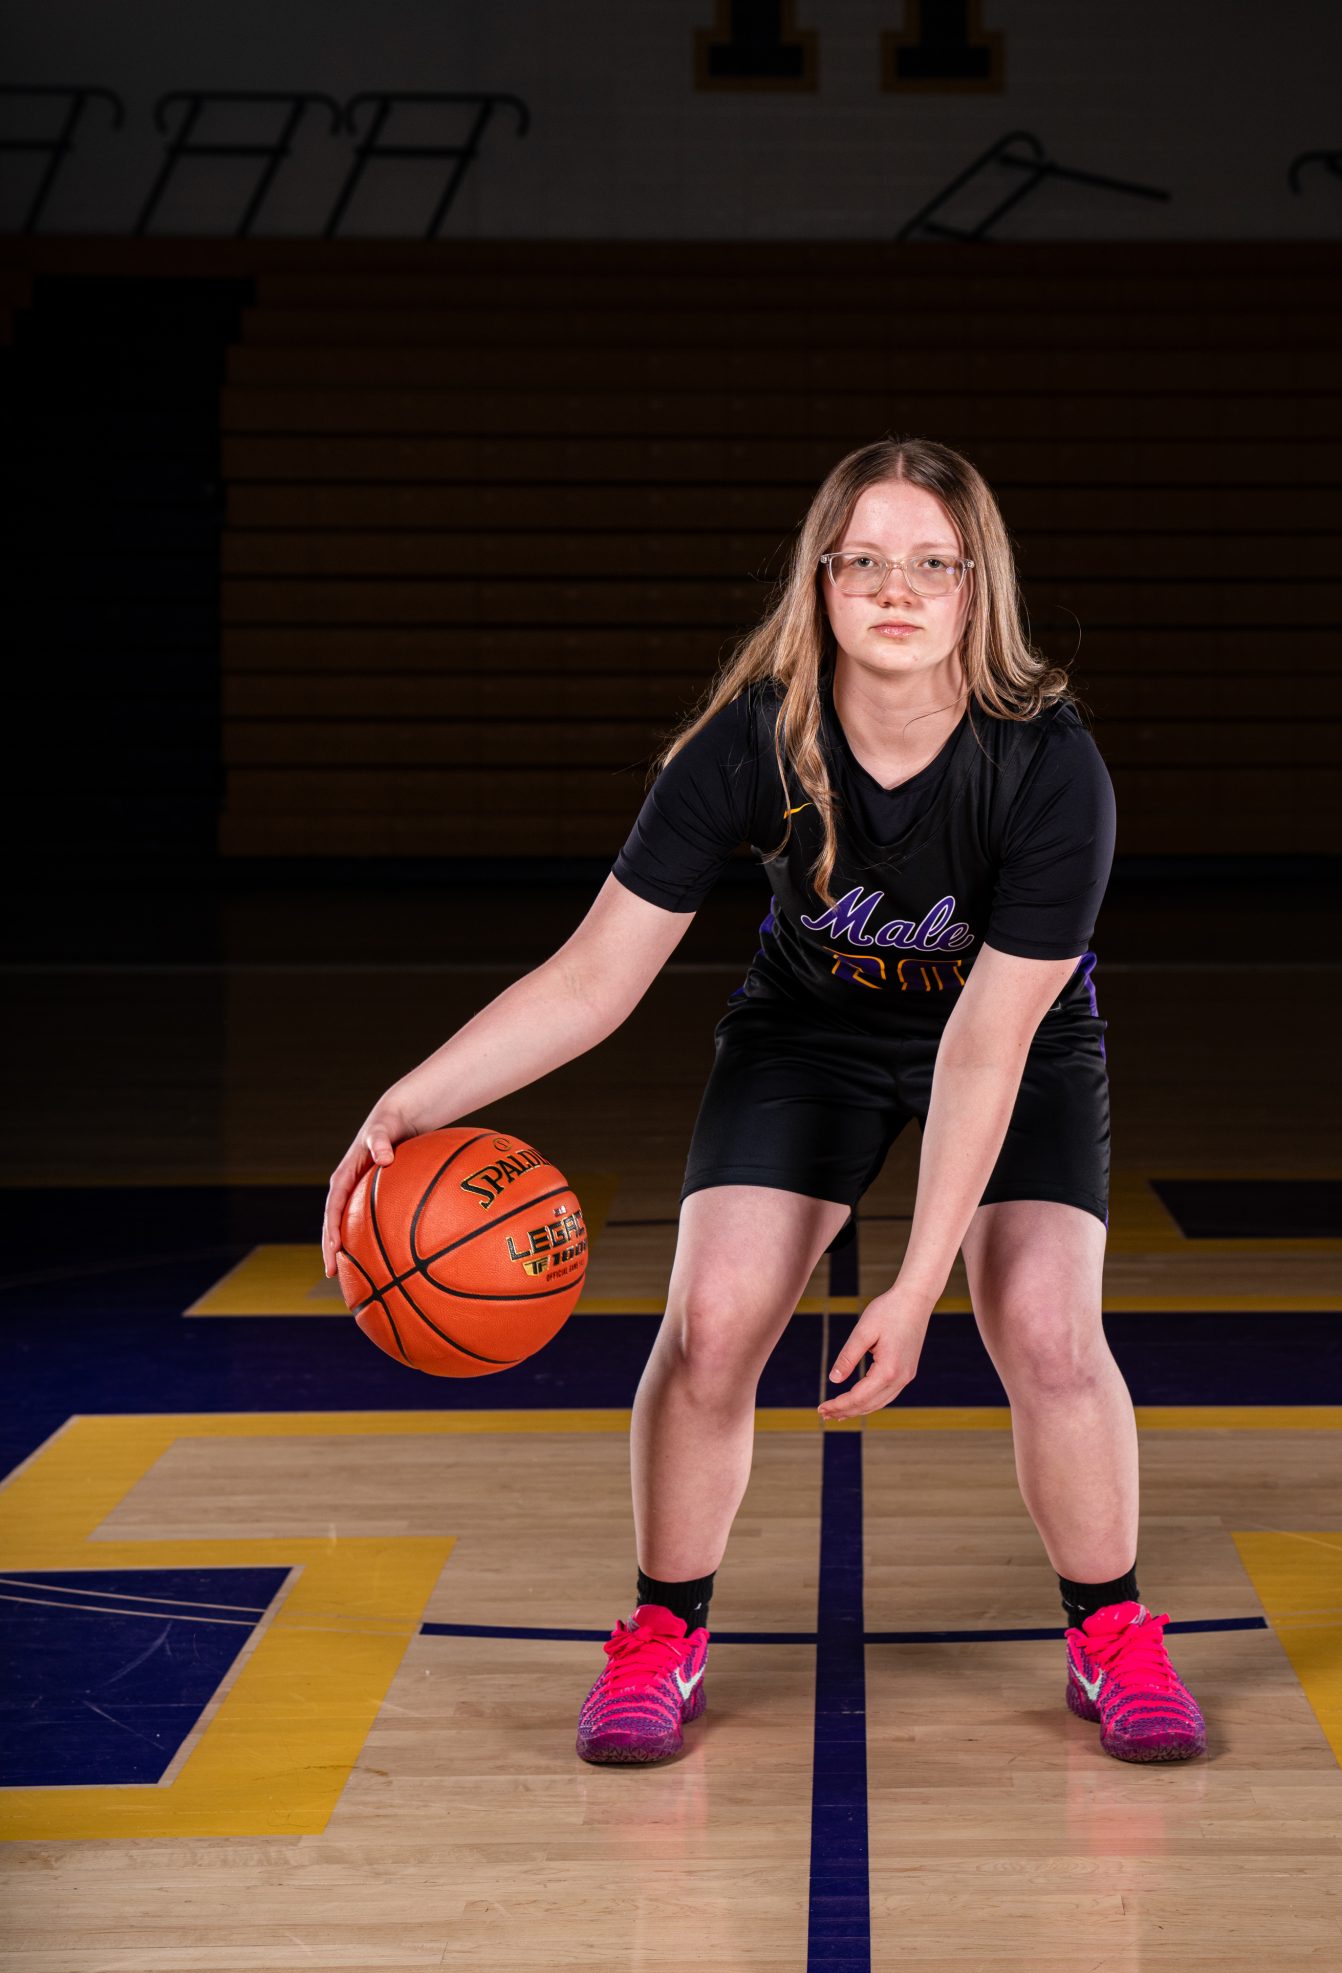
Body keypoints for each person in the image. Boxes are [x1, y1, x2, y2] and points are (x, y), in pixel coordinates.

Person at [322, 436, 1205, 1770]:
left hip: (1013, 1043)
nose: (896, 590)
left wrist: (915, 1288)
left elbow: (983, 1043)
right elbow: (595, 977)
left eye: (932, 564)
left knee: (1044, 1327)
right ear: (820, 580)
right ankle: (662, 1633)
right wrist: (404, 1105)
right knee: (713, 1321)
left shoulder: (1048, 766)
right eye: (865, 561)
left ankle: (1113, 1632)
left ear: (978, 588)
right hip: (811, 1032)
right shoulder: (750, 742)